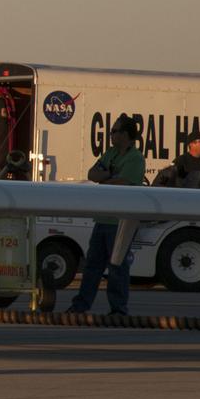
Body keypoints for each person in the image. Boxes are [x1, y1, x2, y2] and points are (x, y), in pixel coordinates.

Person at [68, 115, 145, 316]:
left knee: (117, 265)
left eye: (115, 131)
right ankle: (81, 305)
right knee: (92, 265)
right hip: (103, 219)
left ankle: (118, 309)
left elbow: (125, 183)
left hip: (121, 222)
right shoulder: (110, 153)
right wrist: (111, 176)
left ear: (126, 135)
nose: (111, 135)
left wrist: (106, 177)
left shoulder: (136, 158)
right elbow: (93, 174)